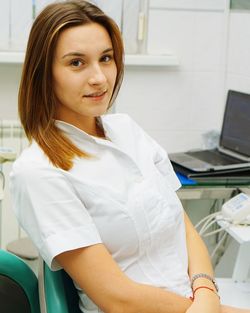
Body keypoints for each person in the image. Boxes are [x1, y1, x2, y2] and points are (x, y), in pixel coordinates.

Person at [9, 1, 250, 313]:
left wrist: (205, 289)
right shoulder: (38, 170)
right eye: (77, 63)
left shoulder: (127, 129)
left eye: (106, 58)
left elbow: (182, 223)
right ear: (45, 72)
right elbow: (117, 298)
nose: (99, 78)